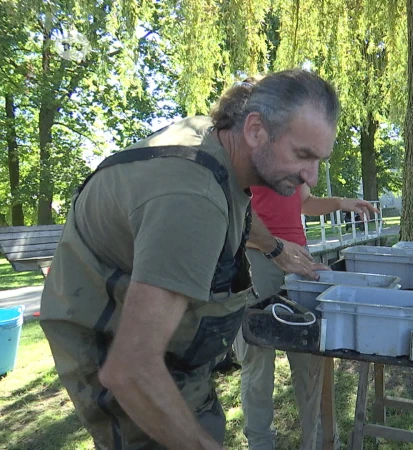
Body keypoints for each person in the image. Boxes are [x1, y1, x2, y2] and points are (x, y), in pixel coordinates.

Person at [38, 69, 339, 450]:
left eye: (319, 160)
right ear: (256, 129)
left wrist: (277, 250)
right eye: (303, 155)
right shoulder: (191, 200)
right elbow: (129, 369)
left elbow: (239, 209)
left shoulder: (222, 144)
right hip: (117, 353)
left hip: (167, 352)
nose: (310, 176)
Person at [234, 183, 378, 450]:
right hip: (256, 258)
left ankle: (319, 439)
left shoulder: (298, 153)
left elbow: (305, 201)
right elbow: (232, 216)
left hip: (299, 258)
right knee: (257, 361)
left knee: (309, 357)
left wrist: (340, 203)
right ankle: (260, 442)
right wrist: (274, 247)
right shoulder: (247, 146)